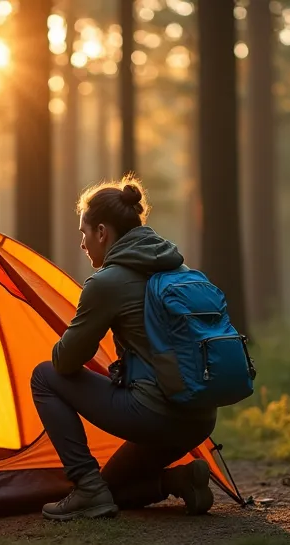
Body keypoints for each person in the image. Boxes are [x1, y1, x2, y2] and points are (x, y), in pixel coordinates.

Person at [31, 175, 216, 521]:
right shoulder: (177, 268)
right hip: (200, 417)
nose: (83, 245)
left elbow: (66, 361)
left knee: (44, 376)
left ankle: (85, 487)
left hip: (154, 415)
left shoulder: (108, 282)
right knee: (110, 488)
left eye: (84, 234)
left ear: (102, 232)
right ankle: (178, 480)